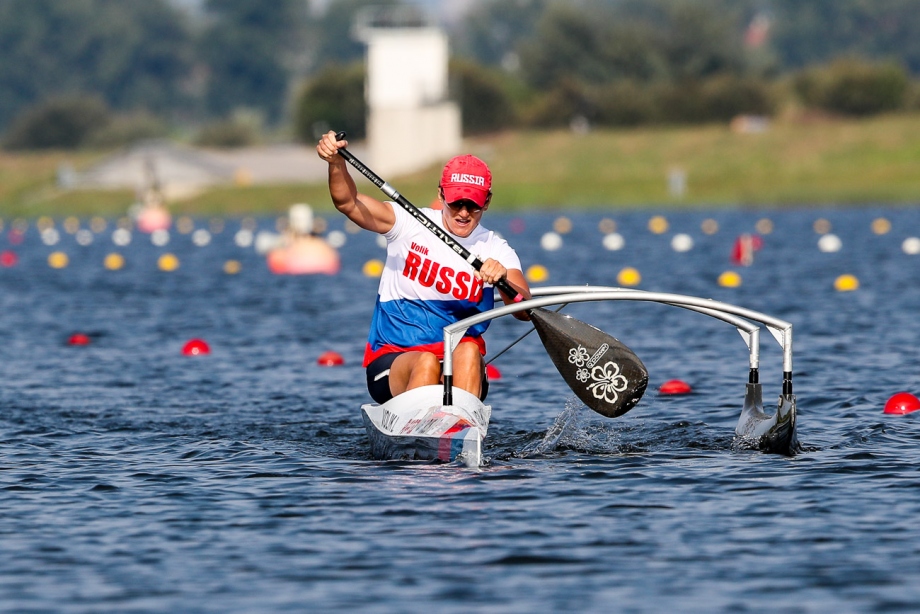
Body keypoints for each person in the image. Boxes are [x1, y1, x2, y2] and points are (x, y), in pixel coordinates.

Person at [316, 131, 531, 404]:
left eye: (473, 205)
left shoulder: (496, 249)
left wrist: (502, 280)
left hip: (460, 365)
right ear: (441, 195)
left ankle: (455, 430)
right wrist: (336, 163)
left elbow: (525, 311)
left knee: (467, 351)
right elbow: (348, 202)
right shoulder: (408, 223)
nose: (464, 213)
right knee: (427, 362)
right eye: (456, 203)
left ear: (486, 202)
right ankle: (425, 435)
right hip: (394, 360)